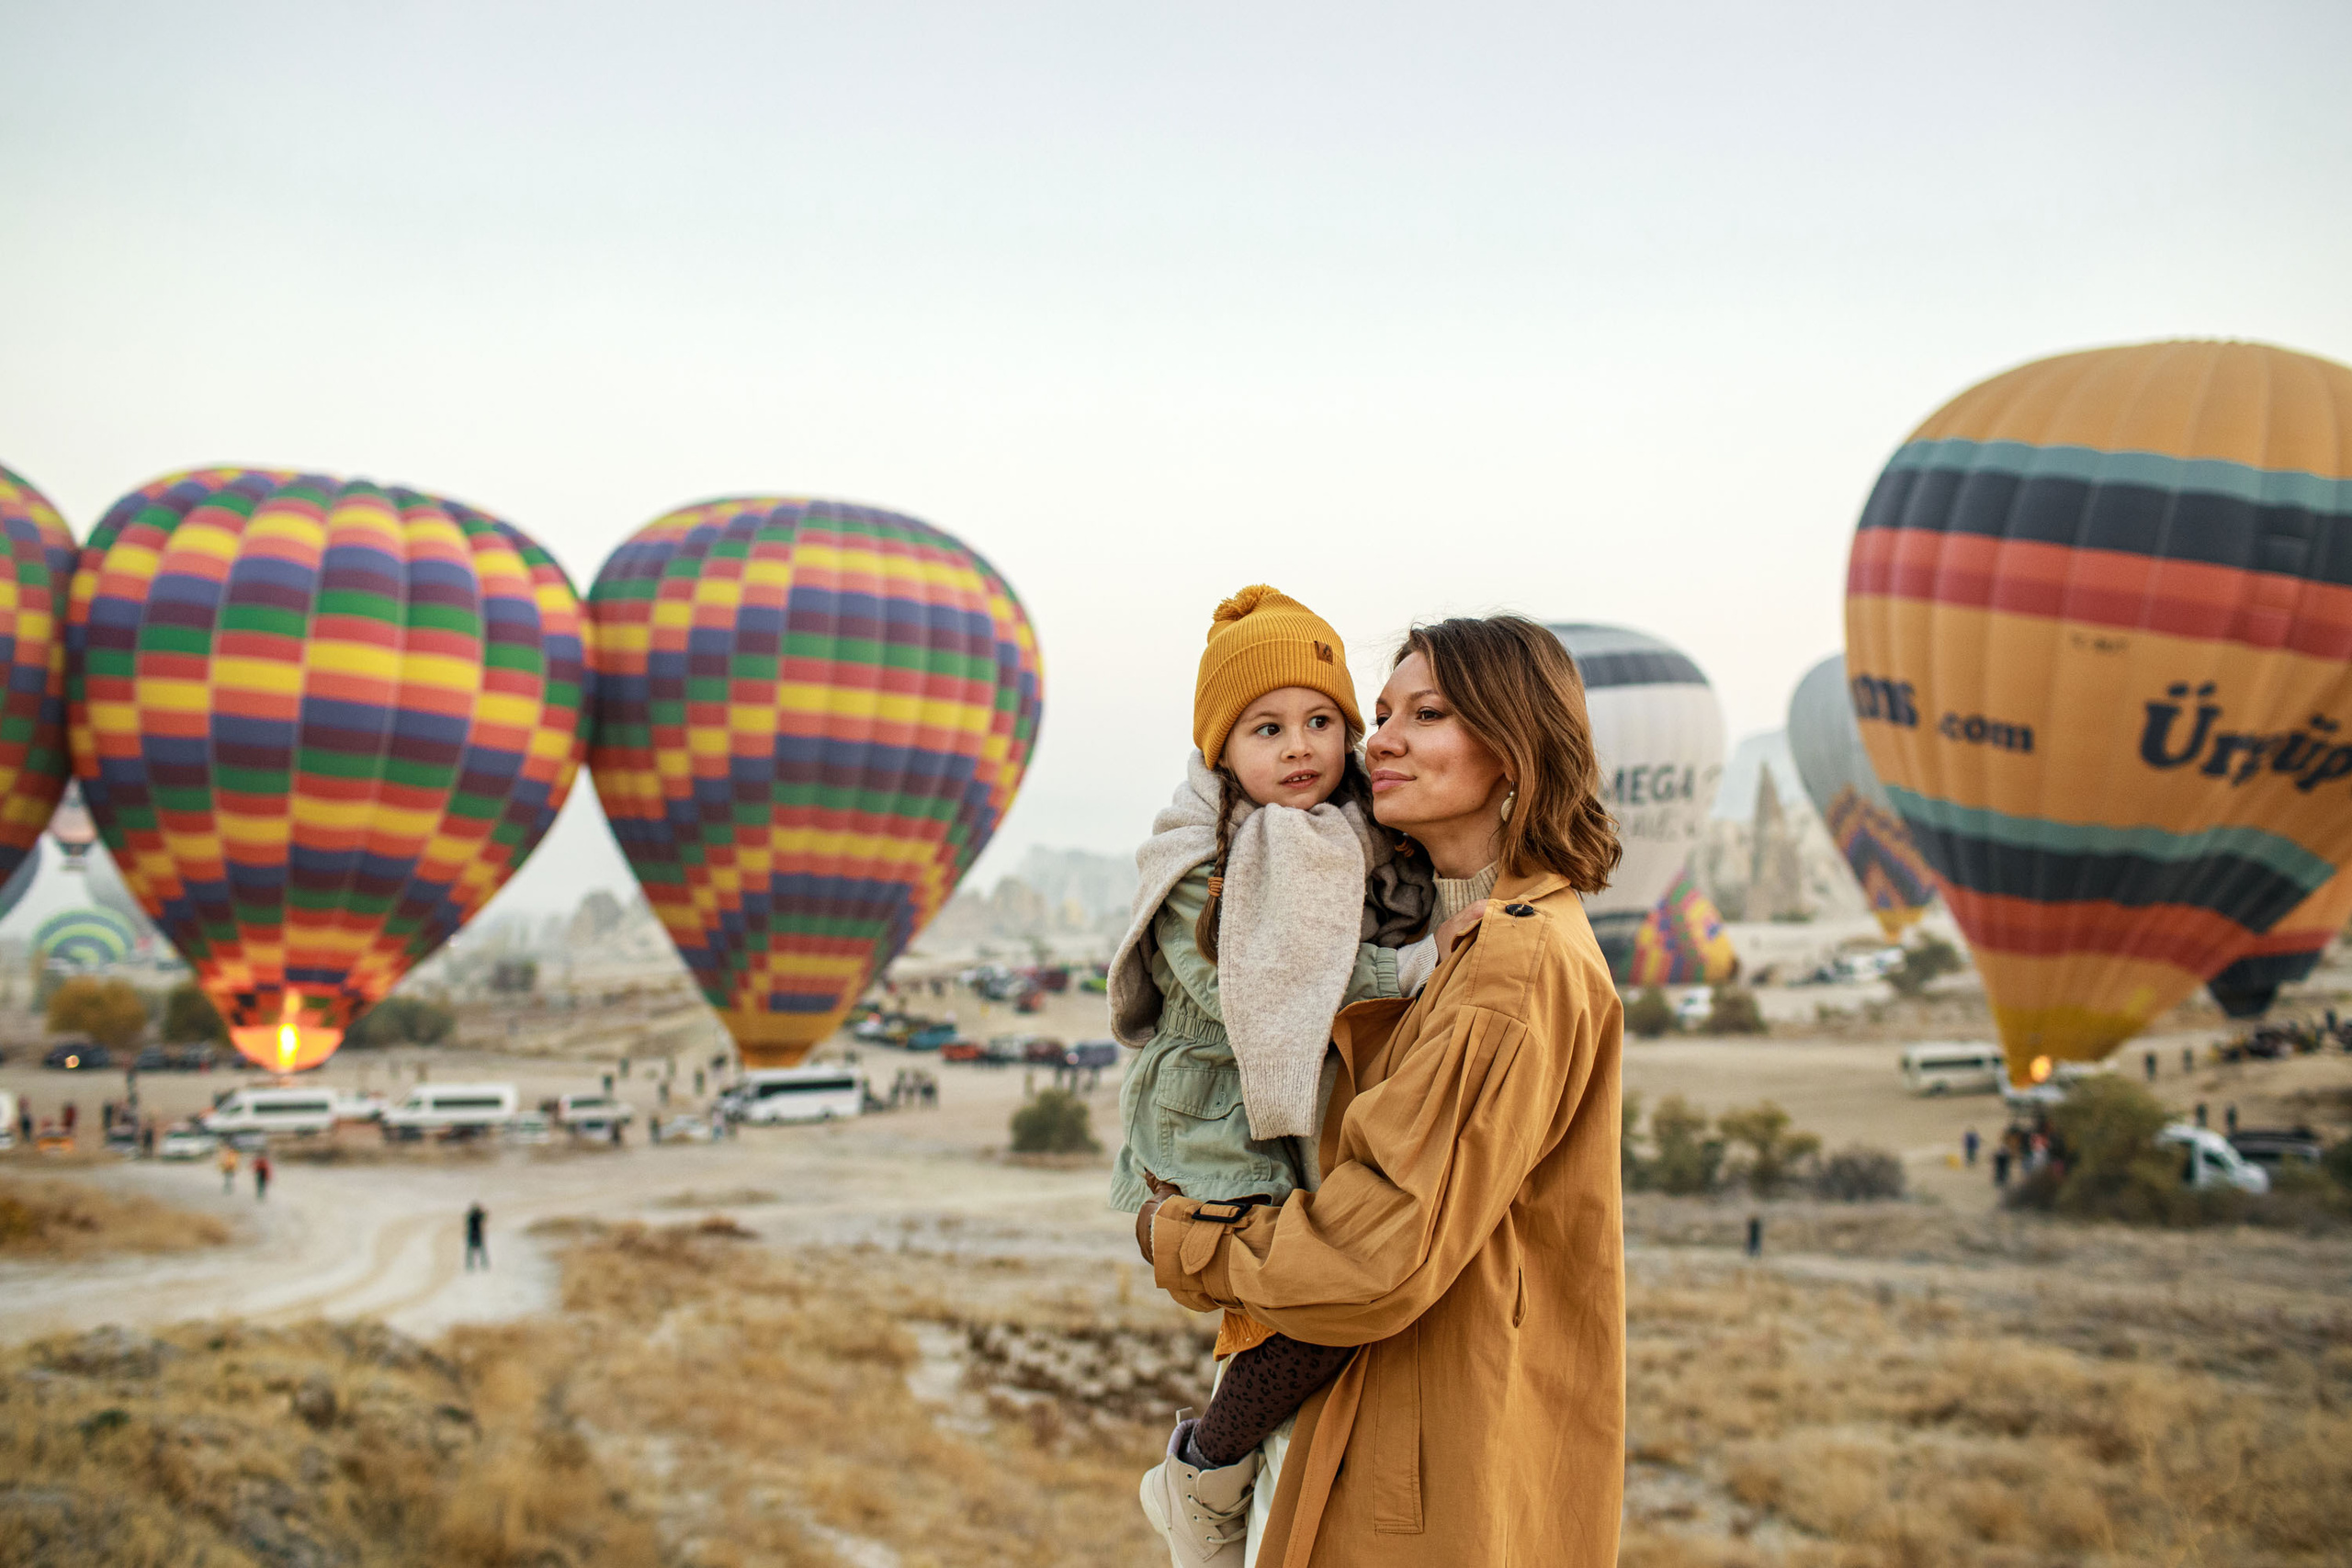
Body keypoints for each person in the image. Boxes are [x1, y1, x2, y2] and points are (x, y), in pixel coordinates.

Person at [1137, 614, 1627, 1567]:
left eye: (1429, 714)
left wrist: (1182, 1242)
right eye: (1383, 712)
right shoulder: (1429, 944)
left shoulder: (1509, 967)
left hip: (1418, 1464)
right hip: (1375, 1428)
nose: (1380, 740)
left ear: (1514, 751)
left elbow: (1373, 1256)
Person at [1108, 586, 1442, 1562]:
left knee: (1312, 1315)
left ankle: (1239, 1484)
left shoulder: (1352, 837)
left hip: (1291, 1127)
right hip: (1210, 1133)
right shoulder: (1197, 860)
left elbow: (1393, 910)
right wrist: (1414, 969)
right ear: (1222, 749)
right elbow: (1243, 993)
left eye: (1321, 722)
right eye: (1266, 728)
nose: (1298, 747)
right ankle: (1202, 1473)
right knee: (1318, 1308)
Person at [465, 1201, 489, 1270]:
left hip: (473, 1235)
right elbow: (483, 1217)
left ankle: (471, 1265)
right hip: (476, 1235)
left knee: (472, 1252)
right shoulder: (475, 1217)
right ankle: (483, 1264)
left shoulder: (471, 1217)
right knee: (481, 1251)